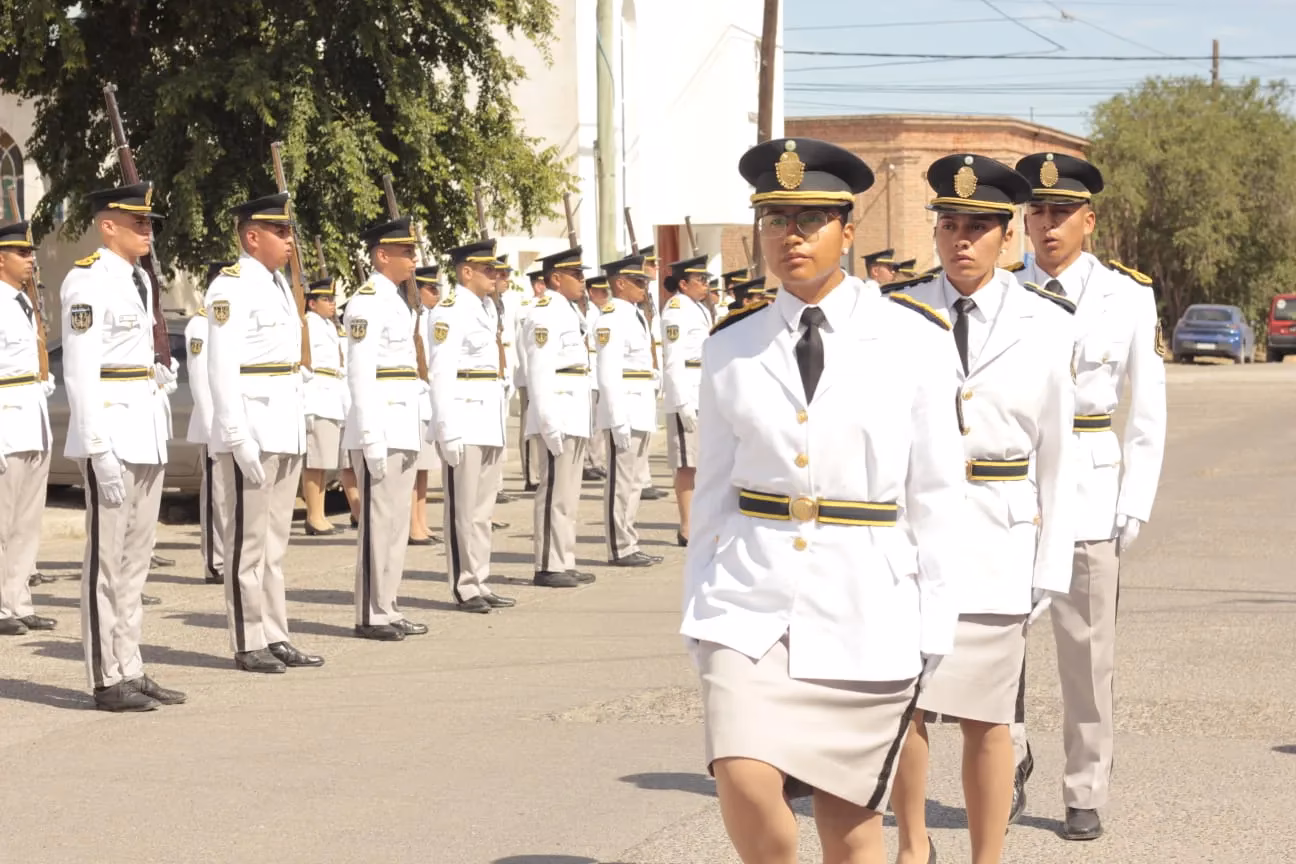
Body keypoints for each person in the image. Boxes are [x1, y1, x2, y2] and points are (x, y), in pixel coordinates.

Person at [682, 137, 966, 864]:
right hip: (748, 605)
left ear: (847, 227)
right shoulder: (730, 346)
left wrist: (935, 626)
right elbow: (712, 493)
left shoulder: (913, 339)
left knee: (851, 828)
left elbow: (934, 495)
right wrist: (699, 610)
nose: (790, 237)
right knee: (742, 777)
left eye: (809, 219)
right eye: (776, 220)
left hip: (867, 609)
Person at [884, 154, 1077, 864]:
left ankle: (986, 856)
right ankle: (911, 847)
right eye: (949, 226)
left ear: (1006, 238)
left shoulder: (1046, 322)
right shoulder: (897, 312)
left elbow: (1060, 454)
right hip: (907, 542)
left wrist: (1049, 565)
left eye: (977, 228)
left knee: (988, 717)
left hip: (999, 542)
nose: (961, 240)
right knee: (905, 711)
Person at [1008, 152, 1167, 840]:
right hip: (1013, 489)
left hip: (1091, 488)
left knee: (1088, 651)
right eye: (1037, 211)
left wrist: (1135, 499)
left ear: (1088, 220)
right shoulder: (1002, 288)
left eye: (1061, 213)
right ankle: (1004, 762)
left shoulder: (1126, 294)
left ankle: (1084, 786)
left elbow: (1148, 406)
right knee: (998, 643)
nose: (1047, 225)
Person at [61, 182, 185, 711]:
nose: (147, 230)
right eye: (137, 222)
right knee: (106, 565)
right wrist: (96, 447)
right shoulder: (85, 279)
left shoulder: (138, 279)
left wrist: (159, 371)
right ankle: (106, 677)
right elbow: (81, 371)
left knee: (136, 562)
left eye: (150, 222)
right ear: (106, 225)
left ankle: (130, 664)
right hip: (112, 433)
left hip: (147, 430)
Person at [206, 192, 322, 673]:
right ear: (252, 237)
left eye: (289, 230)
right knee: (247, 545)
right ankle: (247, 637)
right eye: (281, 231)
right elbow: (220, 368)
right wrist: (236, 435)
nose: (289, 239)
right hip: (254, 429)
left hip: (285, 428)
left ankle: (275, 632)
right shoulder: (230, 287)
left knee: (275, 545)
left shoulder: (277, 285)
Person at [342, 216, 429, 640]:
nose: (414, 258)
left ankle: (388, 604)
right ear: (382, 255)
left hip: (402, 423)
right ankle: (370, 613)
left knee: (396, 523)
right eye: (406, 251)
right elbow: (360, 374)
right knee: (378, 524)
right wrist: (370, 436)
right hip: (380, 425)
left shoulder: (396, 300)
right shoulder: (366, 301)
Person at [427, 238, 516, 613]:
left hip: (489, 416)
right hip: (465, 416)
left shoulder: (487, 308)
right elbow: (441, 371)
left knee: (482, 510)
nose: (495, 275)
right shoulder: (450, 309)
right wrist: (446, 428)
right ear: (466, 272)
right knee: (463, 510)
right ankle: (465, 585)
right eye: (487, 269)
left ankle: (481, 578)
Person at [522, 246, 597, 589]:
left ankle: (564, 558)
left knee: (569, 493)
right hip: (558, 412)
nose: (582, 281)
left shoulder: (569, 310)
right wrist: (547, 420)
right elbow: (538, 371)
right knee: (554, 491)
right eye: (576, 275)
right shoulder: (544, 311)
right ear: (556, 278)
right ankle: (547, 564)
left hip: (575, 409)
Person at [0, 219, 56, 635]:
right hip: (6, 420)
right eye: (23, 253)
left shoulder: (23, 301)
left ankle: (19, 601)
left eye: (31, 253)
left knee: (26, 522)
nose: (30, 260)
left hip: (32, 418)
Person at [595, 254, 664, 568]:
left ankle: (629, 541)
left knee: (634, 481)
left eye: (645, 281)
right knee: (620, 482)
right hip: (624, 406)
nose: (644, 287)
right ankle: (619, 546)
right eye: (638, 281)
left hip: (641, 404)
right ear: (619, 283)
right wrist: (616, 416)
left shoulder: (634, 313)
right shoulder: (612, 315)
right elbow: (608, 371)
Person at [658, 255, 712, 547]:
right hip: (688, 390)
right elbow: (674, 360)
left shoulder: (699, 308)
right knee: (687, 464)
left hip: (704, 387)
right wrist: (681, 402)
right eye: (700, 280)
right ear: (683, 283)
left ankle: (701, 521)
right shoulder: (676, 309)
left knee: (703, 461)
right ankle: (687, 527)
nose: (705, 284)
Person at [185, 261, 232, 585]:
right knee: (216, 495)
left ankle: (229, 555)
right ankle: (215, 561)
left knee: (229, 495)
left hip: (233, 420)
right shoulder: (200, 325)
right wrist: (210, 426)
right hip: (213, 422)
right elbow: (199, 379)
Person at [302, 275, 347, 536]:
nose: (331, 304)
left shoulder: (329, 326)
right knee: (314, 462)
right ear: (311, 303)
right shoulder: (308, 324)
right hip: (316, 395)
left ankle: (319, 513)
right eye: (325, 299)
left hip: (331, 396)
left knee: (323, 462)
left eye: (332, 299)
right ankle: (313, 515)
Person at [410, 264, 443, 547]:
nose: (436, 294)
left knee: (424, 469)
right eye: (431, 289)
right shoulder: (413, 316)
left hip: (428, 395)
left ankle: (421, 520)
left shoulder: (432, 317)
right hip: (415, 395)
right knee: (413, 468)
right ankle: (412, 525)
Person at [638, 245, 668, 502]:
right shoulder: (637, 300)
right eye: (651, 265)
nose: (655, 269)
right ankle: (641, 479)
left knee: (646, 428)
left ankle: (644, 477)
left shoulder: (648, 298)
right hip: (635, 374)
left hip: (649, 367)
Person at [515, 267, 545, 492]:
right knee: (529, 428)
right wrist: (529, 377)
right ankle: (531, 475)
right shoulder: (527, 309)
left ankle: (541, 472)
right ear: (538, 285)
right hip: (529, 377)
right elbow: (523, 346)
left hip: (545, 378)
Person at [582, 274, 610, 482]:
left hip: (600, 371)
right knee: (589, 421)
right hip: (590, 371)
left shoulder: (604, 312)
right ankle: (586, 462)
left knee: (599, 422)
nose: (606, 295)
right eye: (602, 291)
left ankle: (597, 461)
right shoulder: (587, 313)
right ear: (592, 292)